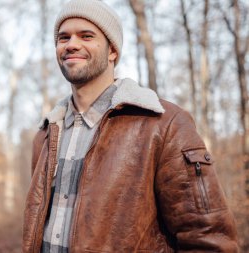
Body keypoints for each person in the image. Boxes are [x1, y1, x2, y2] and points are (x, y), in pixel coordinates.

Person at [23, 0, 238, 252]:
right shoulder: (47, 133)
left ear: (112, 51)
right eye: (63, 37)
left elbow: (208, 239)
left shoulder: (165, 124)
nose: (72, 44)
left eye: (86, 36)